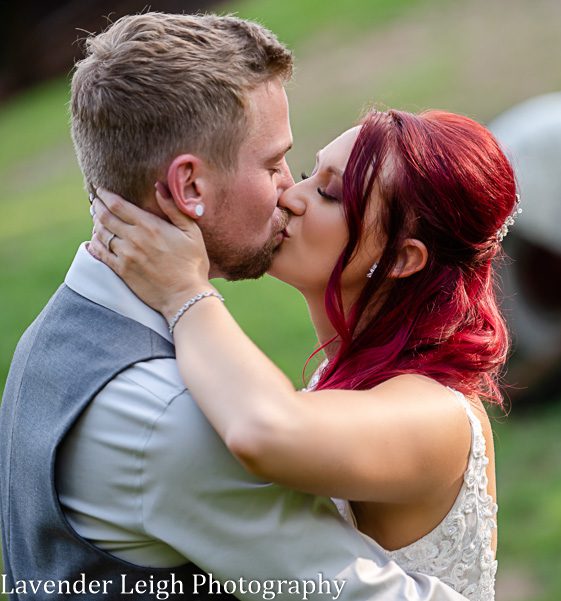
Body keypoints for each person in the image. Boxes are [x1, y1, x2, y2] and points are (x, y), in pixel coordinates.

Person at [0, 12, 466, 601]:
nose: (287, 193)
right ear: (190, 187)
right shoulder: (167, 415)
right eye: (275, 164)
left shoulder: (55, 335)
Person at [87, 107, 519, 601]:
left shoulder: (437, 415)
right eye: (311, 173)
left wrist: (183, 291)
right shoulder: (354, 377)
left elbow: (264, 432)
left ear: (401, 257)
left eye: (329, 193)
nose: (291, 196)